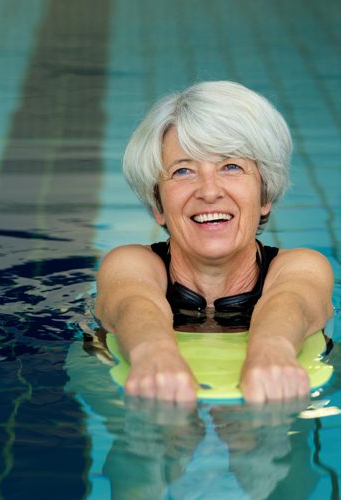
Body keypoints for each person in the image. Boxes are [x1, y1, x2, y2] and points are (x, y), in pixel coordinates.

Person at [95, 81, 334, 404]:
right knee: (154, 436)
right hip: (133, 386)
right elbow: (134, 303)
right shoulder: (130, 264)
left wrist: (271, 350)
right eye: (183, 171)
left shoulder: (300, 266)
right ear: (158, 205)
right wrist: (154, 352)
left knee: (268, 435)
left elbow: (291, 301)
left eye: (231, 167)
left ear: (264, 194)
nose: (209, 191)